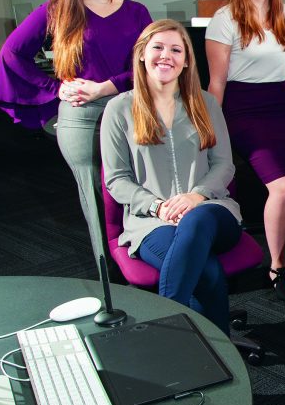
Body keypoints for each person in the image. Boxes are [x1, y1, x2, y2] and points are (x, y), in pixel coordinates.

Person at [0, 0, 152, 275]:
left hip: (129, 110)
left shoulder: (136, 11)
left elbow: (150, 65)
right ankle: (111, 277)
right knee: (96, 199)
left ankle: (147, 262)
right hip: (82, 118)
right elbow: (12, 54)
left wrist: (106, 86)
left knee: (140, 189)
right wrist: (54, 87)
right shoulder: (58, 10)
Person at [101, 19, 242, 335]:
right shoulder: (118, 108)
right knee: (207, 272)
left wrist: (196, 197)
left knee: (197, 220)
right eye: (158, 47)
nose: (166, 56)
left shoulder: (205, 103)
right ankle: (217, 346)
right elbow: (116, 178)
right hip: (152, 222)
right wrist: (157, 207)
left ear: (187, 60)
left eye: (176, 50)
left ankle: (168, 333)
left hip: (212, 211)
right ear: (141, 54)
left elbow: (224, 165)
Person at [206, 0, 285, 298]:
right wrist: (211, 128)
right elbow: (216, 81)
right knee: (280, 186)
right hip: (243, 108)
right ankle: (277, 262)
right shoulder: (225, 18)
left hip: (282, 106)